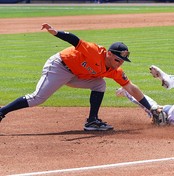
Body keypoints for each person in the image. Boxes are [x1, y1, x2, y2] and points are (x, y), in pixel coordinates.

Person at [0, 23, 157, 131]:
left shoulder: (114, 70)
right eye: (117, 59)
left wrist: (151, 109)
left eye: (122, 61)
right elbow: (75, 40)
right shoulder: (94, 51)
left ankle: (92, 121)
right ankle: (2, 111)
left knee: (100, 84)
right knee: (37, 98)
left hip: (75, 75)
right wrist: (56, 32)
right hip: (59, 66)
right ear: (109, 54)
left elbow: (130, 88)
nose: (119, 64)